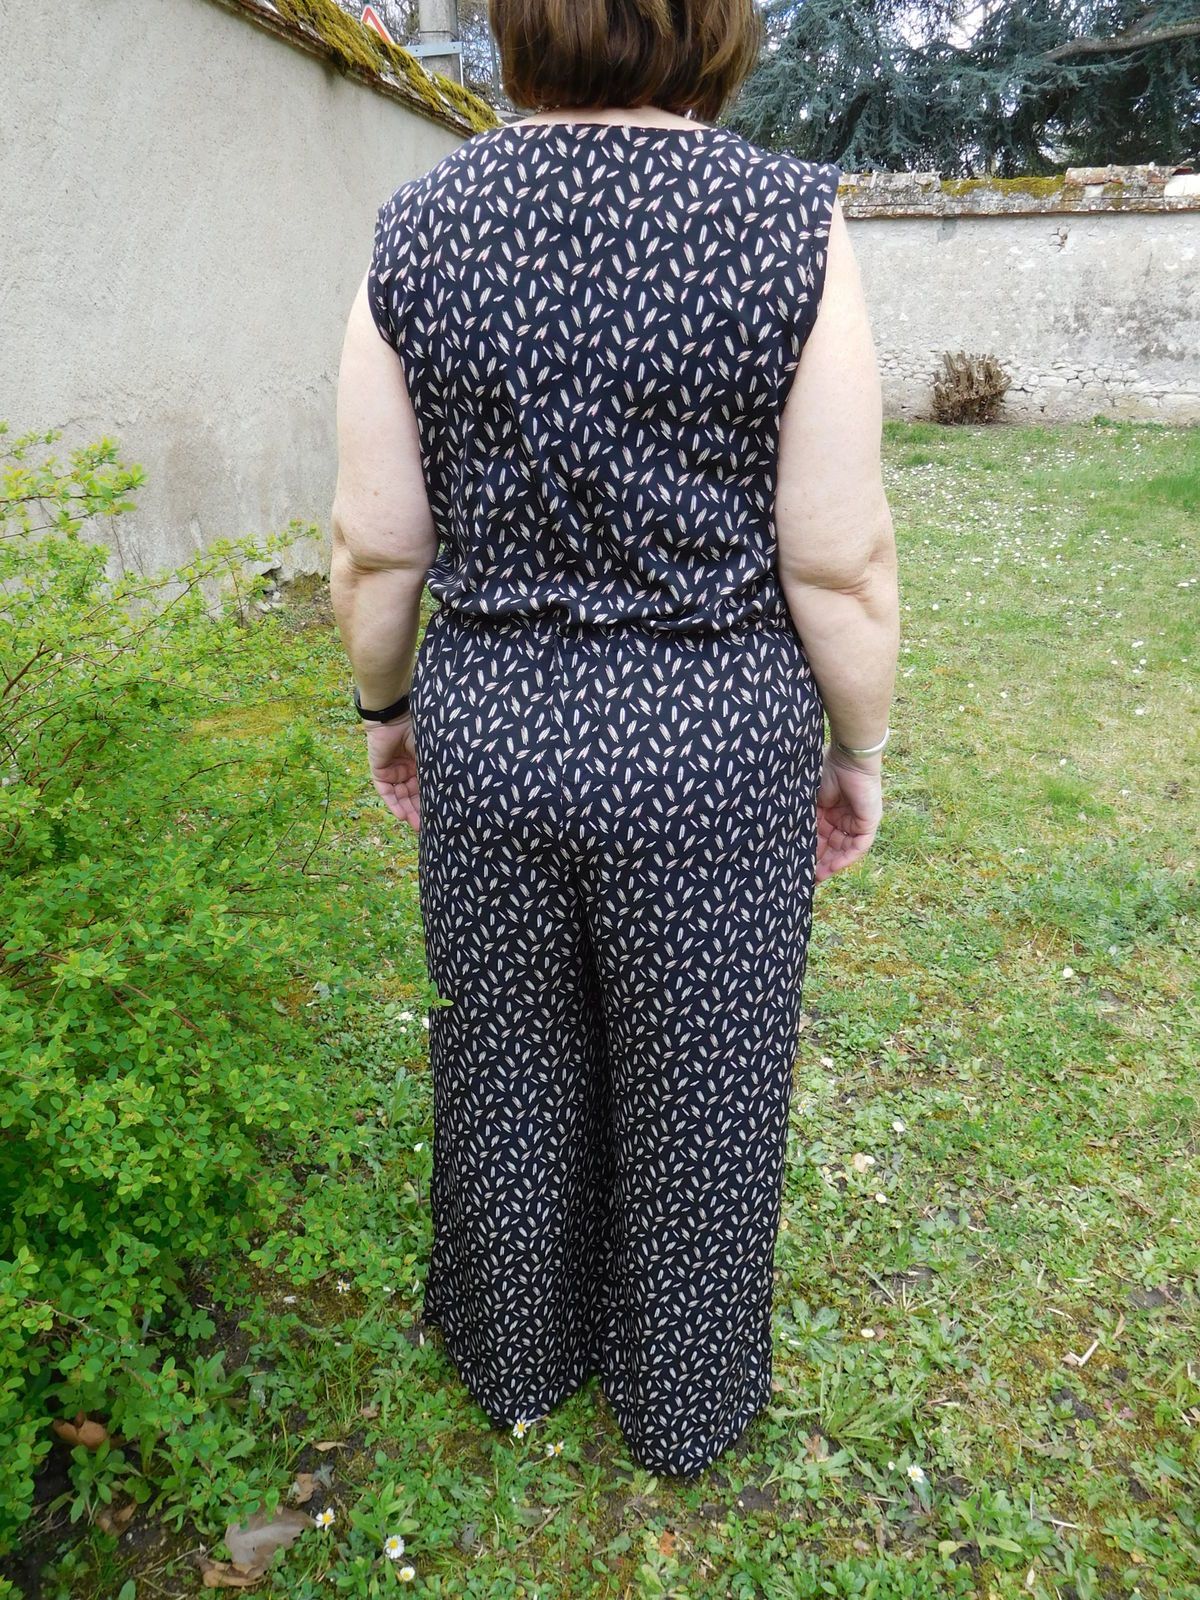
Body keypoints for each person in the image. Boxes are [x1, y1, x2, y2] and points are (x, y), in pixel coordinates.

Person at [329, 0, 899, 1479]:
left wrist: (386, 710)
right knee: (704, 1078)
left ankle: (519, 1354)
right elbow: (839, 560)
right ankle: (681, 1400)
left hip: (497, 729)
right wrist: (860, 747)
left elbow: (376, 547)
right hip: (715, 745)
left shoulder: (419, 226)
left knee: (509, 1051)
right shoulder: (790, 223)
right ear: (713, 26)